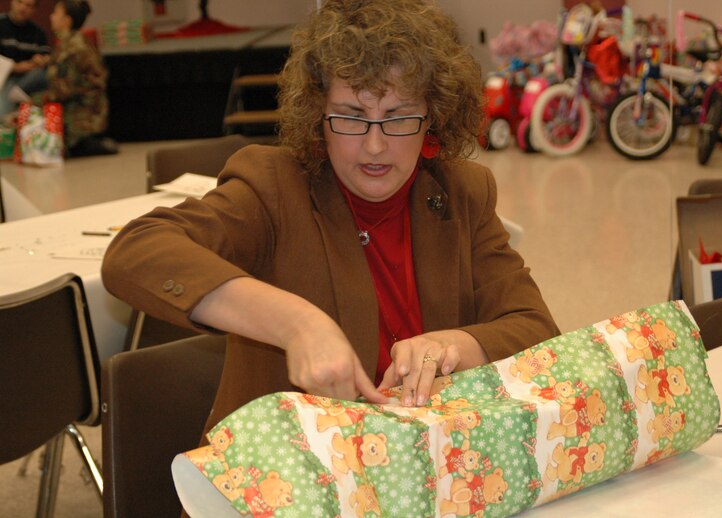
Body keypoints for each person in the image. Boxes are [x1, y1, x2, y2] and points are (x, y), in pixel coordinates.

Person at [102, 0, 559, 433]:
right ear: (317, 115)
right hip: (283, 481)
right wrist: (297, 323)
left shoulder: (462, 191)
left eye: (399, 118)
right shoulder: (273, 186)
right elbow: (137, 251)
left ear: (433, 117)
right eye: (351, 116)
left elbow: (536, 329)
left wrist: (455, 346)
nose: (375, 145)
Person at [32, 0, 117, 156]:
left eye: (55, 13)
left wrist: (33, 101)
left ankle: (83, 143)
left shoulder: (74, 48)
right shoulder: (68, 44)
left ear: (67, 20)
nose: (51, 17)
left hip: (82, 115)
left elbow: (65, 90)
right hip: (77, 108)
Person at [0, 0, 50, 116]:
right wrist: (13, 67)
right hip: (4, 78)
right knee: (4, 107)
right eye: (20, 2)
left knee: (45, 75)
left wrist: (40, 59)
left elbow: (45, 55)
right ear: (12, 2)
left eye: (28, 6)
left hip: (28, 79)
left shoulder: (38, 32)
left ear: (34, 10)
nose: (23, 8)